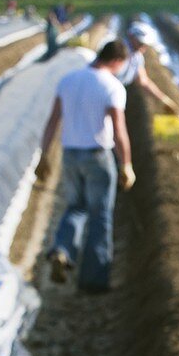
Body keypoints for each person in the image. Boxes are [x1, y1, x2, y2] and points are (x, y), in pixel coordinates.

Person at [38, 40, 135, 291]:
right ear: (117, 61)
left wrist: (44, 155)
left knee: (75, 207)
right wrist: (126, 164)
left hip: (70, 155)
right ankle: (94, 279)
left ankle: (62, 249)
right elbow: (119, 132)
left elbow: (52, 121)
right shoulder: (112, 86)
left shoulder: (68, 80)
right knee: (100, 216)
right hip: (97, 157)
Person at [116, 22, 179, 113]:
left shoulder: (137, 57)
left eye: (145, 44)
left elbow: (143, 81)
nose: (143, 46)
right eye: (140, 42)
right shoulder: (119, 51)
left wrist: (163, 99)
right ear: (131, 36)